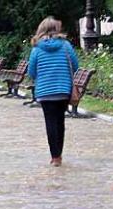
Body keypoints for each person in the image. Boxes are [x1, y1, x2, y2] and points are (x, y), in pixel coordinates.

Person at [26, 18, 80, 167]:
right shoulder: (66, 46)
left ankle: (55, 157)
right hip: (63, 90)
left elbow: (31, 72)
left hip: (45, 91)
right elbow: (75, 66)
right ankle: (59, 155)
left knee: (50, 122)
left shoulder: (36, 49)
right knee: (60, 122)